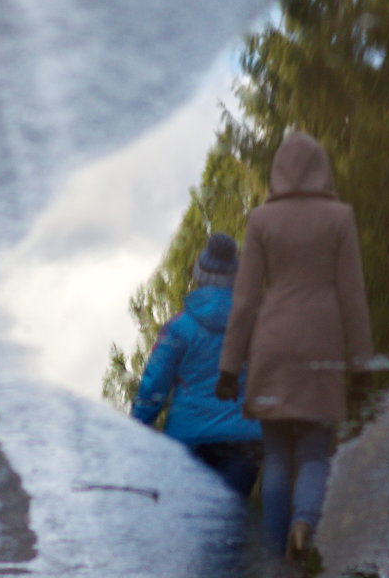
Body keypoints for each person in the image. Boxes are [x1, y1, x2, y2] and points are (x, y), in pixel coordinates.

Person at [215, 131, 374, 565]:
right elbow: (352, 296)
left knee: (278, 458)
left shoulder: (262, 221)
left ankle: (274, 559)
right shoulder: (340, 218)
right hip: (321, 346)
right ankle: (303, 524)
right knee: (314, 452)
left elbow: (245, 300)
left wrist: (229, 368)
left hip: (272, 345)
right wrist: (361, 366)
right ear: (321, 167)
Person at [130, 232, 263, 498]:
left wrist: (136, 428)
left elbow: (154, 388)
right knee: (228, 523)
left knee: (192, 524)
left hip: (188, 440)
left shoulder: (178, 328)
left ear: (199, 276)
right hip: (244, 439)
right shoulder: (255, 326)